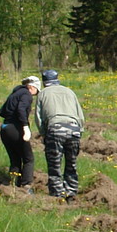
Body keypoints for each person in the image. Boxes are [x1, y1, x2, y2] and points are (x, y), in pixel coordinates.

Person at [34, 69, 86, 199]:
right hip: (74, 129)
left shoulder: (43, 94)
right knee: (71, 163)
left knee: (54, 165)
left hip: (55, 129)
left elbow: (38, 118)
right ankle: (71, 191)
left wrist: (44, 134)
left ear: (45, 82)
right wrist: (80, 131)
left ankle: (57, 194)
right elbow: (80, 115)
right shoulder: (70, 92)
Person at [0, 75, 39, 188]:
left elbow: (1, 112)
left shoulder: (15, 93)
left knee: (15, 159)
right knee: (28, 159)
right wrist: (25, 127)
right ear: (31, 87)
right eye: (36, 90)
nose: (36, 94)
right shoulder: (26, 94)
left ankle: (13, 184)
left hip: (5, 128)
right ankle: (26, 186)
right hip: (15, 129)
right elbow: (21, 109)